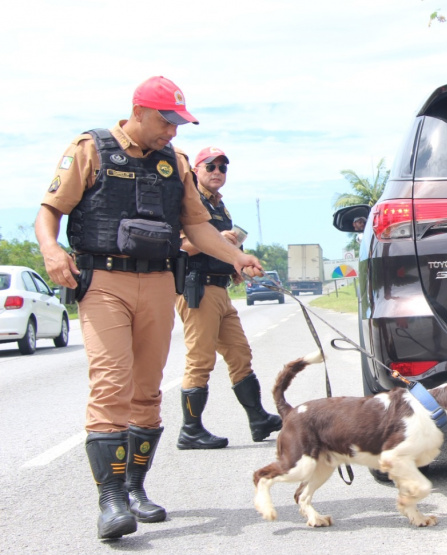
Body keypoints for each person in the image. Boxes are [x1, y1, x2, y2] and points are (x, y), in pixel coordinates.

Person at [34, 76, 263, 541]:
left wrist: (236, 257)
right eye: (166, 121)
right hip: (104, 282)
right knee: (112, 383)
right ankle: (111, 500)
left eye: (179, 123)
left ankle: (136, 489)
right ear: (138, 111)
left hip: (159, 281)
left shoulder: (174, 164)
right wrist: (51, 251)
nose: (173, 132)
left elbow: (197, 228)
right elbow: (50, 210)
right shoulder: (90, 148)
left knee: (147, 391)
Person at [174, 147, 282, 450]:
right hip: (196, 288)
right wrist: (218, 240)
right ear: (197, 170)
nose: (217, 172)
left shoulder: (220, 207)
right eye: (211, 166)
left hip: (219, 288)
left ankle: (258, 419)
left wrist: (233, 265)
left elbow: (218, 249)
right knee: (200, 359)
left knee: (240, 353)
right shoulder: (186, 201)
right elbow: (178, 246)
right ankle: (190, 430)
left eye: (223, 167)